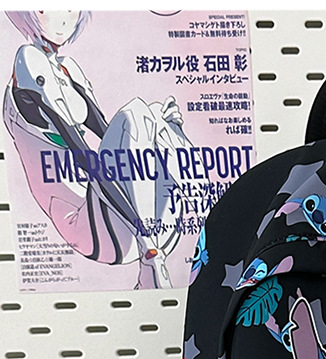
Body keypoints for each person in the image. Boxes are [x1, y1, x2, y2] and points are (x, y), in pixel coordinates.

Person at [3, 10, 192, 288]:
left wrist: (165, 128)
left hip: (127, 223)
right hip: (89, 226)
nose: (63, 17)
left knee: (154, 114)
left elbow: (108, 139)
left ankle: (189, 215)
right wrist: (144, 237)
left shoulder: (68, 69)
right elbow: (85, 157)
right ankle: (150, 258)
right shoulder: (29, 62)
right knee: (136, 112)